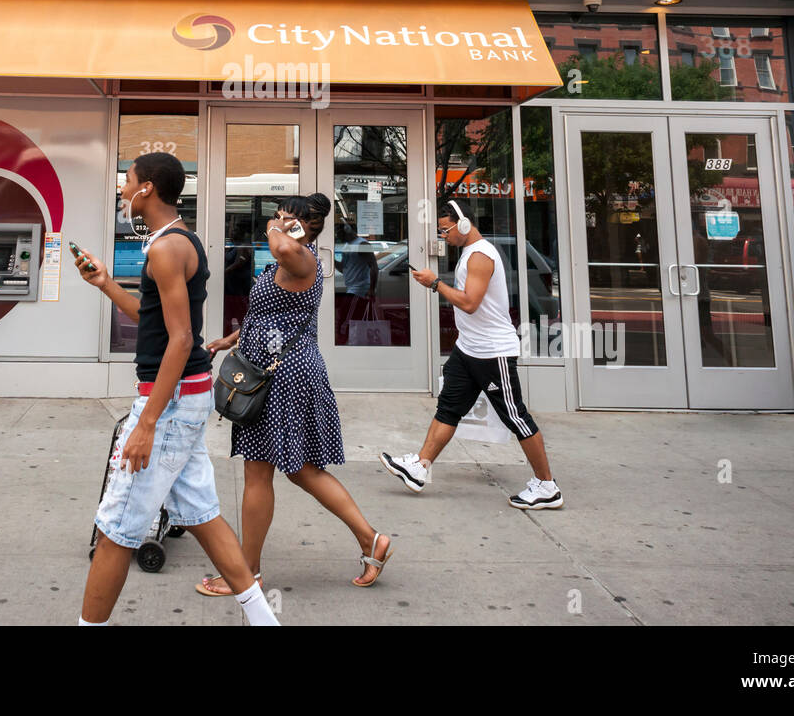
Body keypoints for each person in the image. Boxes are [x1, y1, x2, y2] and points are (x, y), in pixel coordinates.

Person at [72, 152, 279, 626]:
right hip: (186, 396)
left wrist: (145, 424)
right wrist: (105, 283)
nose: (123, 189)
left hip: (168, 403)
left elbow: (182, 338)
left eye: (128, 181)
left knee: (115, 530)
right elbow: (158, 325)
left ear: (147, 190)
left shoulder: (166, 249)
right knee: (202, 515)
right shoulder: (174, 242)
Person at [199, 193, 394, 594]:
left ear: (304, 228)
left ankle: (246, 574)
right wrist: (230, 339)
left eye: (287, 217)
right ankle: (370, 539)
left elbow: (284, 244)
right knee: (300, 469)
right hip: (273, 373)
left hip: (285, 378)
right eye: (278, 215)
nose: (278, 221)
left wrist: (279, 230)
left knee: (259, 471)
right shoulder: (285, 261)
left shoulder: (301, 257)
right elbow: (269, 313)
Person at [380, 198, 563, 510]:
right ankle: (420, 467)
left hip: (492, 352)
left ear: (463, 223)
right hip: (469, 349)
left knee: (515, 416)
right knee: (449, 406)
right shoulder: (468, 253)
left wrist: (435, 283)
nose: (444, 236)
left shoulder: (480, 255)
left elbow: (469, 302)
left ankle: (547, 486)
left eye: (446, 229)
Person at [333, 216, 378, 342]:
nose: (337, 234)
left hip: (359, 289)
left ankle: (342, 343)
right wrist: (331, 259)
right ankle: (349, 342)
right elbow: (344, 268)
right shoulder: (348, 245)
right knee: (348, 318)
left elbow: (374, 267)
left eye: (339, 231)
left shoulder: (362, 244)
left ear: (348, 230)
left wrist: (371, 289)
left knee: (345, 319)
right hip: (351, 288)